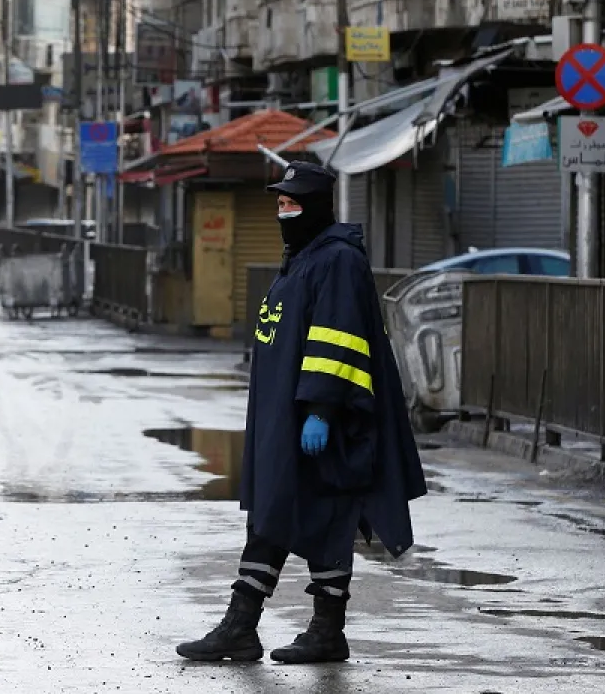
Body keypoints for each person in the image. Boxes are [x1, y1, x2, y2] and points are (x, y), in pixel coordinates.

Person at [176, 161, 427, 665]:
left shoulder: (336, 260)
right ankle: (272, 629)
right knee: (287, 513)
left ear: (313, 207)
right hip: (284, 421)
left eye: (291, 204)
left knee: (308, 515)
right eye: (279, 204)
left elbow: (339, 335)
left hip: (317, 423)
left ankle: (276, 628)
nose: (282, 212)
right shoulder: (305, 256)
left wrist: (321, 409)